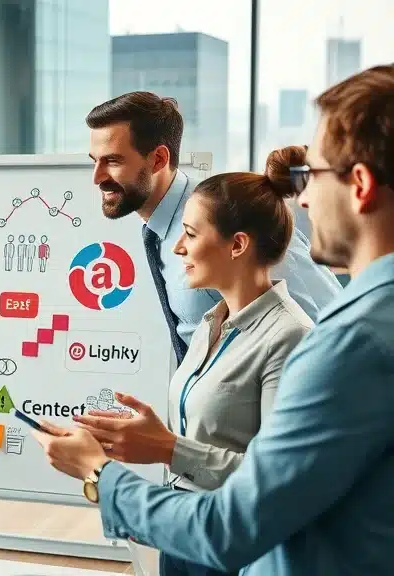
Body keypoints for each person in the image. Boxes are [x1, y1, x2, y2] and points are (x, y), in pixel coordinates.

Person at [32, 64, 394, 575]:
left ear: (359, 185)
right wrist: (168, 444)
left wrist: (99, 472)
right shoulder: (217, 305)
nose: (304, 197)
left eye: (312, 175)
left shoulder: (346, 339)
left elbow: (234, 523)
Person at [73, 146, 315, 576]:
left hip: (232, 548)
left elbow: (275, 485)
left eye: (191, 233)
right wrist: (149, 437)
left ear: (237, 245)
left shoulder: (290, 338)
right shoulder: (210, 324)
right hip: (186, 534)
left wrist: (166, 447)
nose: (179, 247)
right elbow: (213, 437)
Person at [86, 92, 340, 363]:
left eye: (113, 161)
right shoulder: (155, 232)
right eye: (95, 161)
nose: (97, 177)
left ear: (159, 159)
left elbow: (325, 326)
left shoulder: (231, 211)